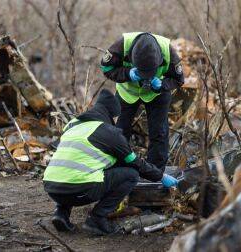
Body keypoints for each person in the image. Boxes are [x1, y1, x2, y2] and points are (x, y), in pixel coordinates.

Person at [43, 89, 178, 235]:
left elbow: (70, 158)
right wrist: (161, 176)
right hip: (79, 190)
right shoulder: (108, 132)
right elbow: (135, 163)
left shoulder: (72, 125)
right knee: (131, 175)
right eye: (115, 117)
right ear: (110, 114)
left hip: (51, 187)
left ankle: (61, 213)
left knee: (70, 171)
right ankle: (97, 219)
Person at [100, 32, 184, 172]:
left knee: (159, 132)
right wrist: (127, 74)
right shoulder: (121, 46)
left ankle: (155, 171)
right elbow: (106, 68)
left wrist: (163, 84)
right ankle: (118, 169)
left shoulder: (169, 52)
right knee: (118, 131)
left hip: (156, 94)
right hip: (127, 93)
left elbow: (179, 80)